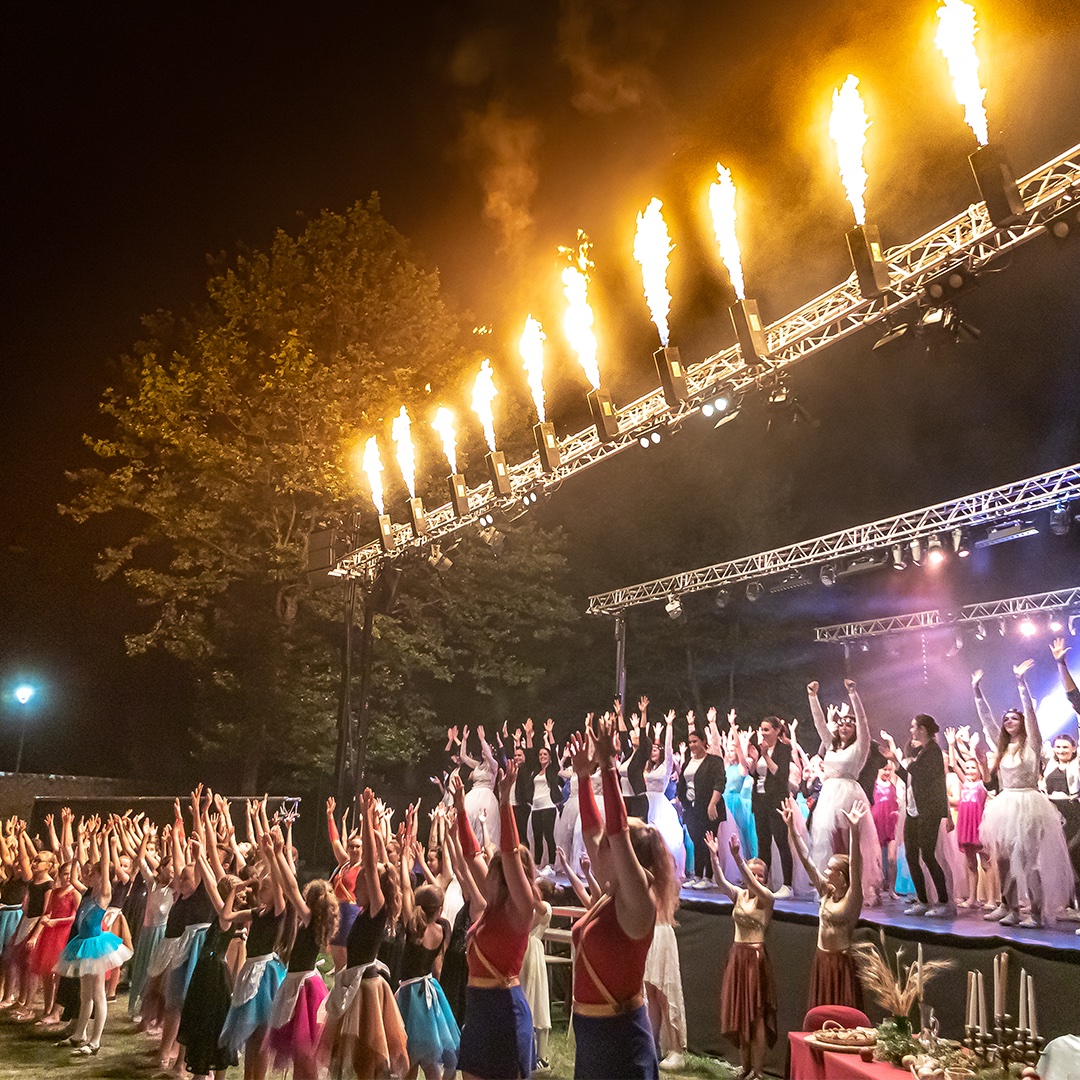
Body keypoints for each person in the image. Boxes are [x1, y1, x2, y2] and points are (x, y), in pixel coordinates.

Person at [571, 715, 678, 1080]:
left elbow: (613, 833)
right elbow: (596, 830)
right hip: (594, 1039)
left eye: (612, 847)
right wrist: (585, 778)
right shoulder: (612, 895)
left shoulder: (638, 901)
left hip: (620, 1044)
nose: (597, 847)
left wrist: (609, 767)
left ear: (626, 858)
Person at [454, 758, 537, 1080]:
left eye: (492, 868)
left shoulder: (521, 907)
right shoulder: (490, 904)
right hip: (477, 1008)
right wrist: (461, 808)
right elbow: (470, 853)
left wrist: (505, 801)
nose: (484, 871)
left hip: (504, 1009)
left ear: (502, 876)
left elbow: (511, 855)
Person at [973, 661, 1073, 927]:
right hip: (1006, 802)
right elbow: (987, 721)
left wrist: (1021, 683)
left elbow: (1030, 714)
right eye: (1006, 719)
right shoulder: (1002, 747)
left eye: (1012, 718)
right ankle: (1011, 907)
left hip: (1028, 803)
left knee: (1026, 861)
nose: (1007, 722)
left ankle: (1037, 913)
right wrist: (977, 692)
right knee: (1004, 860)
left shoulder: (1032, 744)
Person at [320, 788, 408, 1079]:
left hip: (367, 990)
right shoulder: (363, 913)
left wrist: (368, 818)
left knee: (366, 1056)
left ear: (374, 888)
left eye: (361, 884)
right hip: (353, 984)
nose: (354, 887)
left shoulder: (376, 911)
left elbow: (370, 865)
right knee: (352, 1060)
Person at [54, 821, 133, 1055]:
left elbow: (105, 865)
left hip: (96, 945)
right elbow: (77, 874)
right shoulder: (88, 893)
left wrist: (106, 841)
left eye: (93, 872)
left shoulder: (104, 895)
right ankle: (80, 1034)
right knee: (84, 993)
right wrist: (81, 851)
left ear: (101, 876)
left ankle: (95, 1041)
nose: (88, 875)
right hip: (82, 943)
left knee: (98, 994)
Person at [704, 832, 777, 1080]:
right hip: (737, 957)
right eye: (753, 874)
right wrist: (715, 856)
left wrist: (738, 858)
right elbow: (722, 882)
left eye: (761, 876)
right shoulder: (739, 894)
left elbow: (753, 884)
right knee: (741, 1012)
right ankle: (745, 1068)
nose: (756, 879)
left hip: (755, 961)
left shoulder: (767, 899)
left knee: (756, 1016)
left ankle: (757, 1071)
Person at [266, 834, 339, 1080]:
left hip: (303, 987)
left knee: (303, 1051)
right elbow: (292, 888)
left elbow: (291, 888)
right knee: (302, 1053)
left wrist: (276, 856)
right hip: (305, 981)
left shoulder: (309, 920)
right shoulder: (318, 923)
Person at [806, 679, 883, 905]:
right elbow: (819, 723)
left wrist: (853, 695)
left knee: (853, 845)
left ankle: (855, 888)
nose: (844, 727)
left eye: (849, 725)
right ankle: (833, 886)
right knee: (830, 843)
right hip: (829, 796)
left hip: (849, 794)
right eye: (841, 724)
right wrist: (812, 697)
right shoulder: (830, 745)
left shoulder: (860, 748)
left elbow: (863, 722)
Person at [784, 797, 865, 1009]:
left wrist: (854, 832)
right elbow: (806, 860)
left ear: (841, 876)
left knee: (840, 1013)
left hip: (840, 964)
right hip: (822, 960)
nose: (825, 871)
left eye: (830, 869)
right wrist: (792, 829)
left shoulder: (852, 898)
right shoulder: (826, 891)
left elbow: (855, 867)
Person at [175, 838, 241, 1080]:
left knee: (212, 1023)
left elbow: (213, 888)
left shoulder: (228, 916)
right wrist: (200, 856)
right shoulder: (223, 914)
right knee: (200, 1021)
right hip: (205, 972)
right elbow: (214, 884)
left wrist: (201, 857)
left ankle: (215, 1075)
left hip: (214, 976)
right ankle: (200, 1073)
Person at [395, 834, 459, 1080]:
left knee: (409, 1054)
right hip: (431, 991)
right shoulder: (441, 929)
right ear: (440, 910)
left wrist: (404, 858)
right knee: (432, 1056)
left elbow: (404, 887)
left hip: (411, 996)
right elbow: (437, 965)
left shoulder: (414, 928)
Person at [880, 714, 953, 917]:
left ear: (922, 729)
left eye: (914, 727)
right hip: (913, 809)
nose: (911, 730)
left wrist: (897, 759)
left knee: (928, 855)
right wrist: (895, 761)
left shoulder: (933, 751)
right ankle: (922, 900)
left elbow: (921, 775)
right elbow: (910, 778)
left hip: (927, 811)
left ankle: (944, 902)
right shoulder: (922, 752)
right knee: (911, 855)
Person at [733, 713, 794, 899]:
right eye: (762, 730)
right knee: (763, 843)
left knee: (781, 841)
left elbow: (780, 775)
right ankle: (763, 882)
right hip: (759, 801)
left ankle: (788, 885)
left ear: (777, 731)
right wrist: (754, 759)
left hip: (777, 801)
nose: (763, 733)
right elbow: (757, 776)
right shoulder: (761, 749)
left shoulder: (783, 749)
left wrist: (766, 755)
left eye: (767, 729)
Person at [25, 860, 78, 1023]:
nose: (68, 877)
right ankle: (47, 1009)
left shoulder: (75, 893)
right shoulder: (55, 892)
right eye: (65, 873)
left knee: (58, 975)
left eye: (71, 873)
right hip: (50, 935)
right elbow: (48, 911)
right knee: (47, 975)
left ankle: (57, 1009)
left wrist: (57, 921)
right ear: (60, 875)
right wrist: (47, 918)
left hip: (64, 934)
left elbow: (75, 916)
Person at [676, 724, 726, 888]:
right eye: (690, 742)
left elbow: (720, 782)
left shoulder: (714, 761)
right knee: (696, 840)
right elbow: (682, 784)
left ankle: (711, 877)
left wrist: (713, 803)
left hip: (709, 806)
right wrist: (684, 802)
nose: (692, 745)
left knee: (708, 841)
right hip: (692, 808)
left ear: (703, 741)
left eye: (695, 741)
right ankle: (698, 875)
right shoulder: (688, 762)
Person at [946, 728, 991, 909]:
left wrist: (978, 757)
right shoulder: (964, 783)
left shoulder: (982, 784)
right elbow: (954, 764)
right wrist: (950, 744)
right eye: (968, 768)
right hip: (965, 826)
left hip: (979, 826)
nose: (970, 770)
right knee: (971, 863)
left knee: (986, 862)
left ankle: (990, 899)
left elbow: (985, 772)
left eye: (973, 768)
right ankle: (972, 898)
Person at [642, 711, 687, 880]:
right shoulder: (648, 768)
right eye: (651, 750)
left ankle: (664, 868)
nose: (653, 752)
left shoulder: (666, 767)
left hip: (659, 802)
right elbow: (641, 750)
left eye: (655, 750)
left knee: (660, 836)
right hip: (646, 801)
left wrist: (668, 727)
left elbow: (668, 748)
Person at [871, 760, 900, 899]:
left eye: (889, 769)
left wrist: (890, 744)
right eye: (884, 769)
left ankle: (892, 889)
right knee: (877, 860)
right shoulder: (873, 784)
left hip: (891, 824)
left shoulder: (892, 782)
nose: (887, 772)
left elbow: (895, 766)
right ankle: (877, 889)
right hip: (876, 823)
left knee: (892, 859)